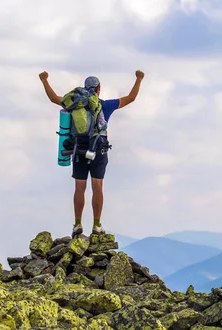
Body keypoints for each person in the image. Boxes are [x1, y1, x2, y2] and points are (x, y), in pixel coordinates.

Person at [39, 70, 145, 237]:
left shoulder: (74, 104)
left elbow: (53, 98)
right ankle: (96, 225)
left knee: (79, 187)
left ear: (84, 88)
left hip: (79, 150)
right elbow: (131, 98)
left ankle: (77, 224)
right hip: (98, 150)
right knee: (97, 186)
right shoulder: (105, 105)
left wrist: (44, 80)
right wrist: (139, 79)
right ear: (98, 89)